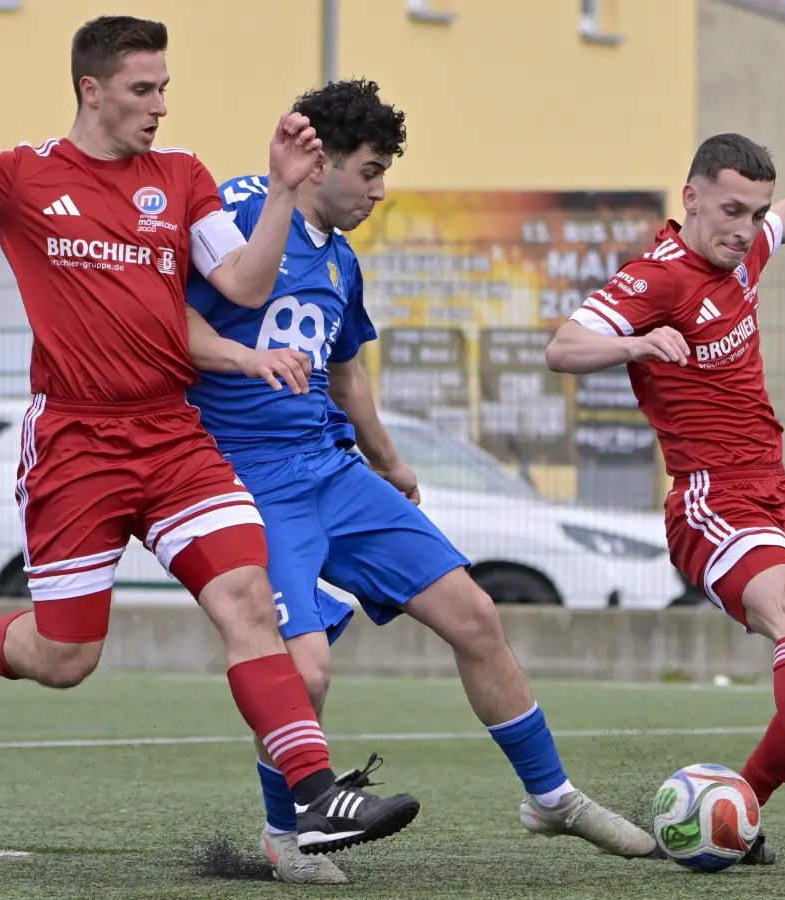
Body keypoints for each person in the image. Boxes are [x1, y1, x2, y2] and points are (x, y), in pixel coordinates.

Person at [0, 15, 419, 854]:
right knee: (66, 658)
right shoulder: (22, 178)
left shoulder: (182, 176)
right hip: (77, 446)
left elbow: (243, 283)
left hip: (172, 437)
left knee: (248, 599)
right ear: (91, 90)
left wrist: (280, 192)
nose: (160, 106)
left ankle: (313, 798)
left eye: (165, 88)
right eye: (143, 89)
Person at [180, 78, 658, 884]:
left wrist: (390, 460)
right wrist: (241, 359)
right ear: (320, 162)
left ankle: (553, 798)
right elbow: (168, 320)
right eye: (369, 172)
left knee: (475, 615)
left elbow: (346, 372)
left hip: (333, 471)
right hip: (249, 481)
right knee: (305, 671)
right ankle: (284, 837)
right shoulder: (235, 211)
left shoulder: (340, 259)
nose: (379, 192)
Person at [545, 133, 785, 861]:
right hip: (712, 499)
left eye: (755, 213)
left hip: (778, 495)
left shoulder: (743, 252)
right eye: (731, 211)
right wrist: (635, 345)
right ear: (691, 198)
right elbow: (563, 347)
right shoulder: (658, 278)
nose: (746, 228)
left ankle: (734, 813)